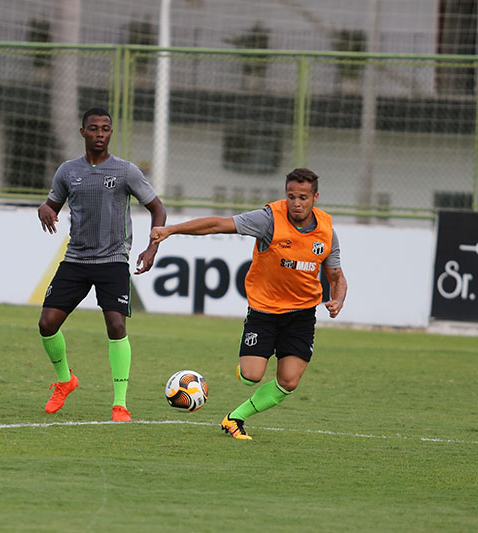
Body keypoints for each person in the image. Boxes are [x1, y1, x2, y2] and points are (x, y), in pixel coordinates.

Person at [150, 168, 347, 439]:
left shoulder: (326, 231)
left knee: (288, 382)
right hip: (264, 311)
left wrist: (337, 299)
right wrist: (171, 229)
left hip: (301, 315)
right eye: (291, 196)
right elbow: (217, 224)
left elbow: (336, 276)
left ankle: (235, 418)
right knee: (251, 375)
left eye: (303, 197)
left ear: (315, 197)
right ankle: (248, 359)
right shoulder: (268, 220)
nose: (296, 203)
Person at [37, 106, 167, 422]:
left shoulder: (126, 171)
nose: (99, 134)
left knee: (116, 325)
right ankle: (65, 381)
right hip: (76, 260)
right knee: (47, 323)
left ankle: (119, 404)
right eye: (93, 129)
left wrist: (152, 248)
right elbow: (52, 203)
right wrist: (44, 208)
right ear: (83, 132)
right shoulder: (68, 171)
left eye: (105, 129)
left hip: (112, 261)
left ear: (111, 133)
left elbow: (158, 209)